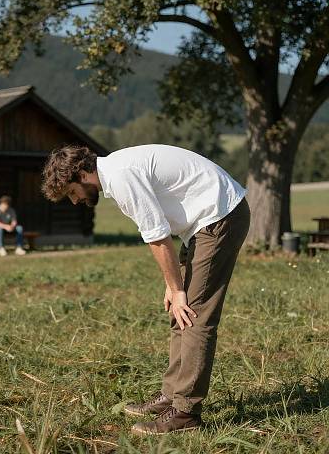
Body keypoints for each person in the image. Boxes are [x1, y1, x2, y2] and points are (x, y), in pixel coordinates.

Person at [41, 144, 250, 436]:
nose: (75, 201)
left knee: (194, 315)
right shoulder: (117, 171)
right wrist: (172, 287)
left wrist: (177, 289)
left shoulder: (122, 175)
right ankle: (172, 395)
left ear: (82, 173)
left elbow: (158, 237)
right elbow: (160, 231)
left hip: (220, 217)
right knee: (180, 311)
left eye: (72, 193)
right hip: (204, 223)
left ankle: (186, 413)